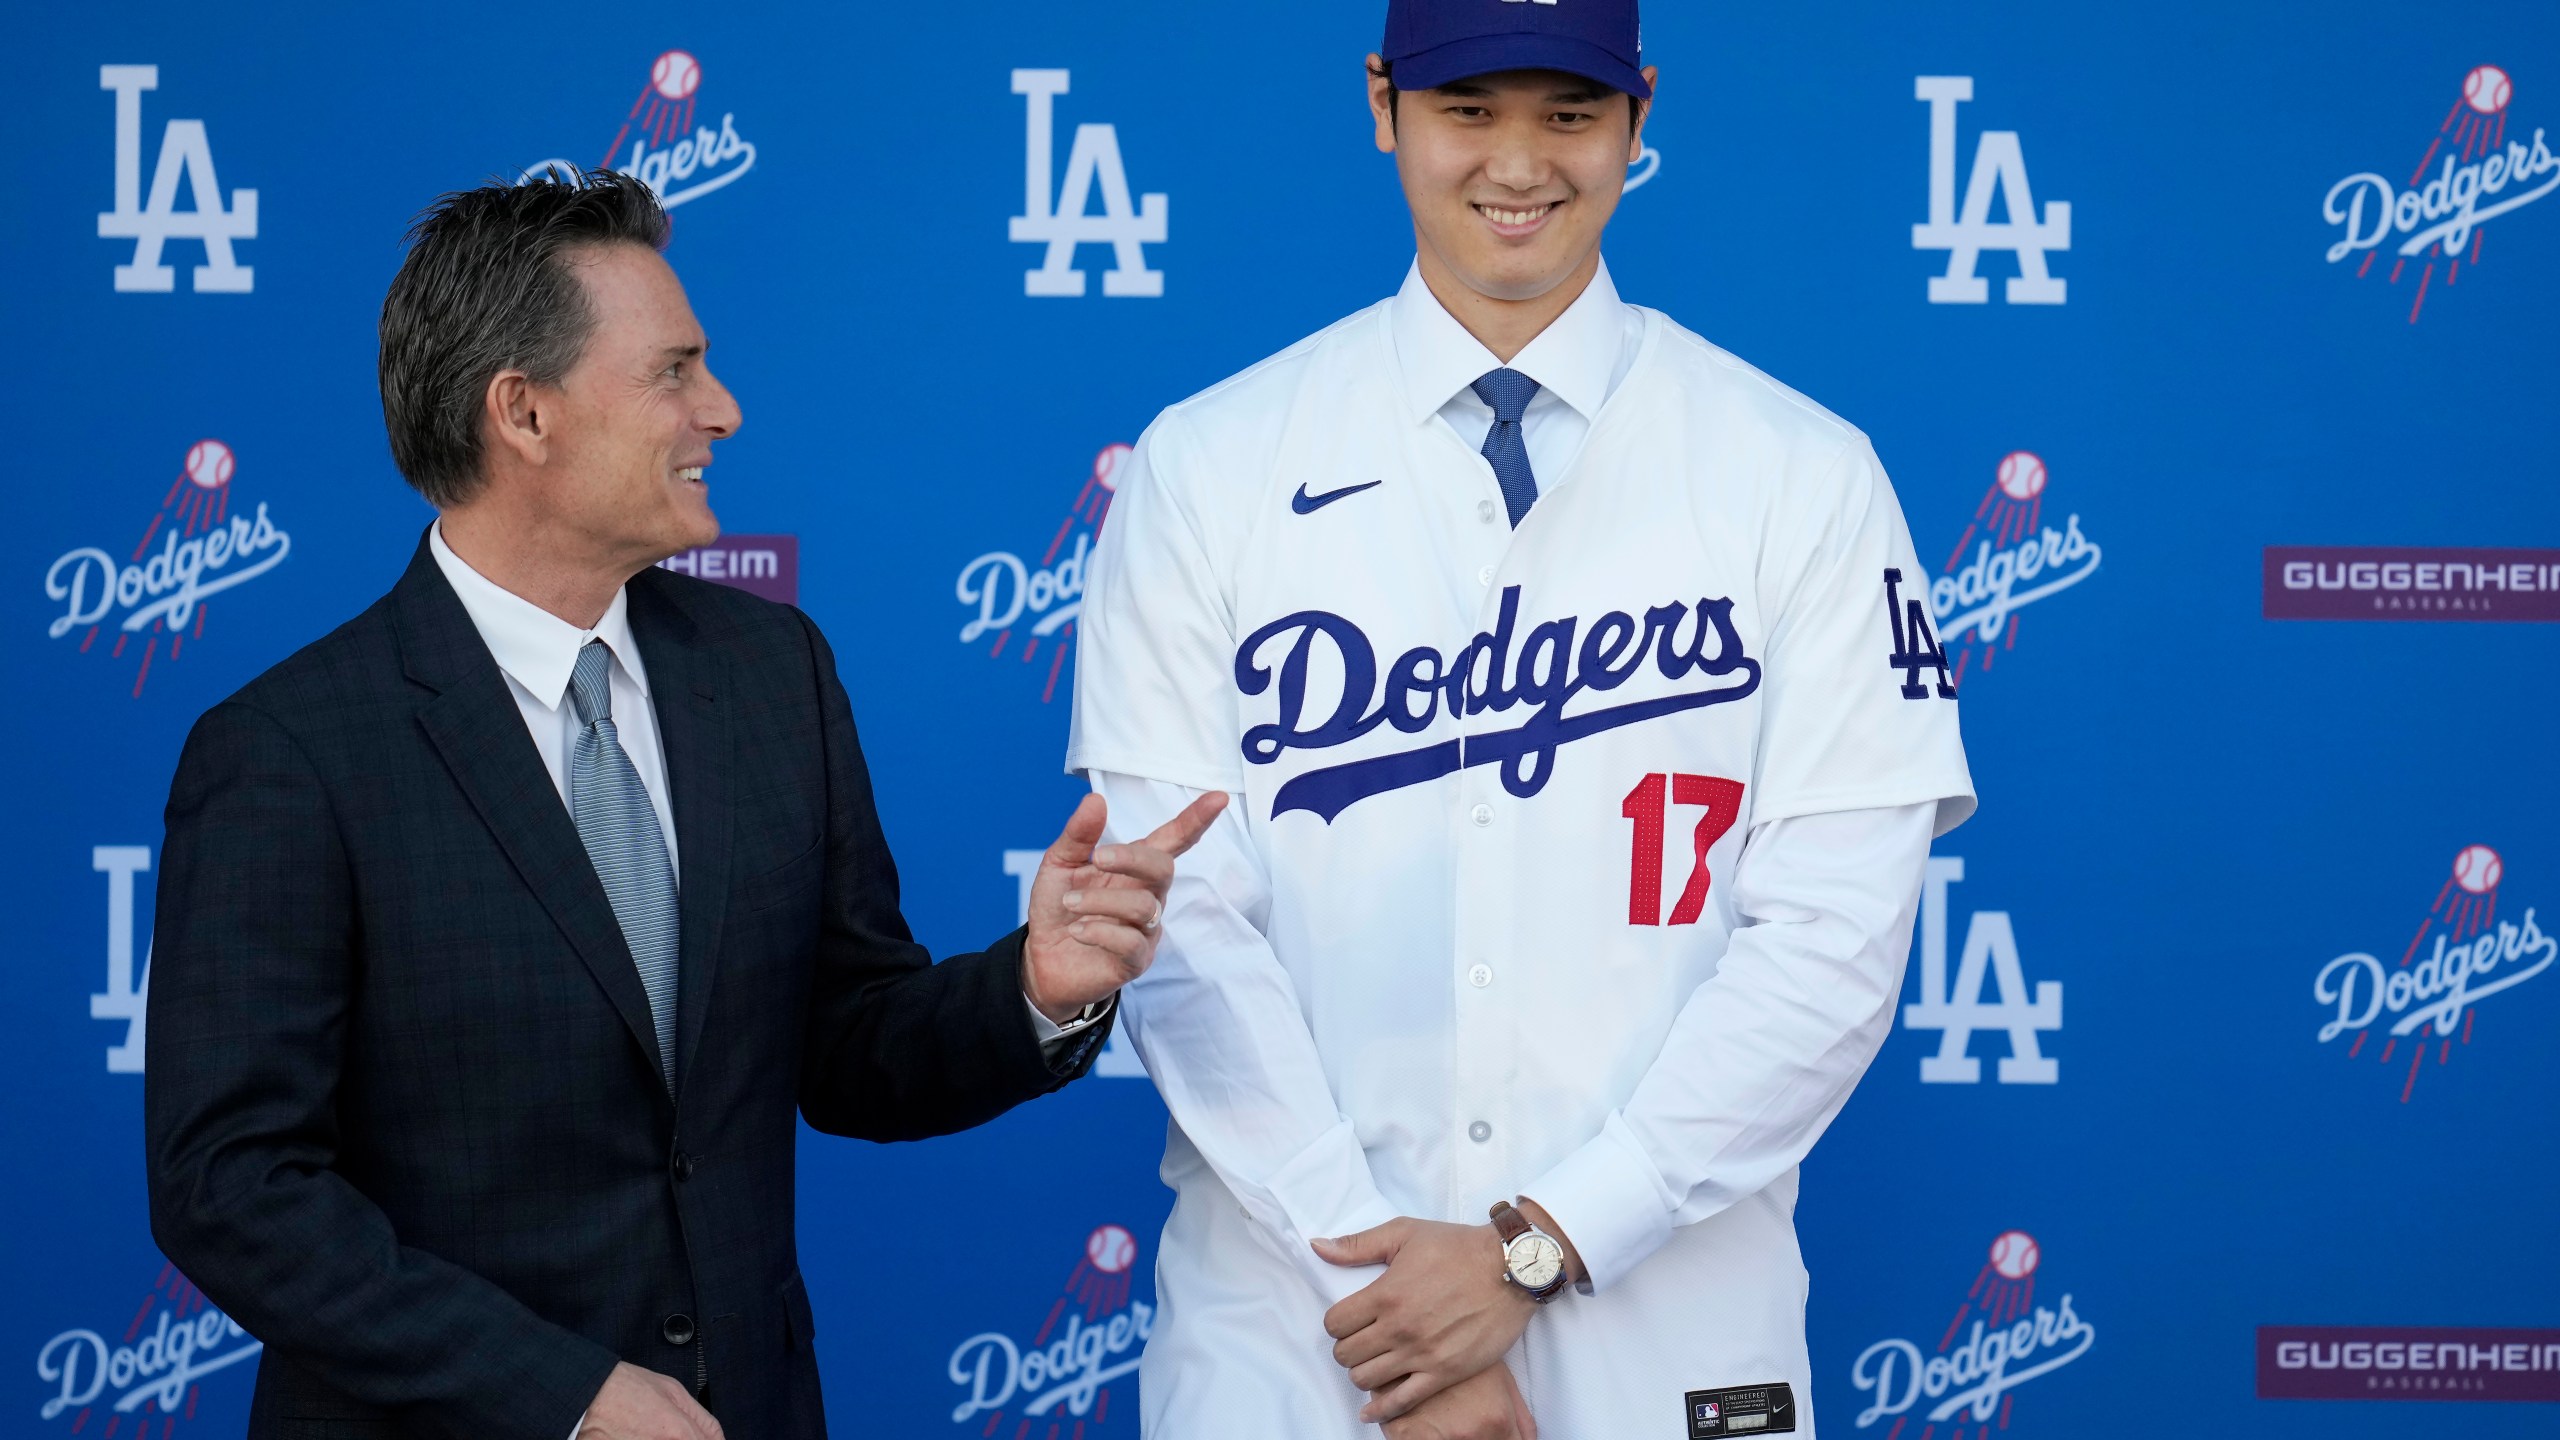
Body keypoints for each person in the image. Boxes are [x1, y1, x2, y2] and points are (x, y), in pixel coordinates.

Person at [144, 173, 1224, 1440]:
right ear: (524, 412)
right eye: (674, 371)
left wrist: (1035, 984)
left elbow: (849, 1046)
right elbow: (233, 1188)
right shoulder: (288, 753)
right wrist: (563, 1396)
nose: (722, 408)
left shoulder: (770, 674)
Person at [1066, 1, 1975, 1435]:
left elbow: (1833, 943)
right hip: (1298, 1334)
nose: (1518, 162)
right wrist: (1396, 1312)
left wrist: (1538, 1246)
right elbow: (1178, 928)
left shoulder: (1802, 472)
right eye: (1468, 107)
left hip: (1669, 1321)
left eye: (1568, 112)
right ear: (1383, 103)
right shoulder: (1208, 466)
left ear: (1638, 114)